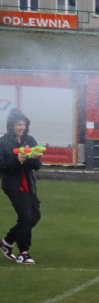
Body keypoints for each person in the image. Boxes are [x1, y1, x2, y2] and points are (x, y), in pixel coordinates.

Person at [0, 108, 41, 265]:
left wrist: (34, 158)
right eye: (18, 124)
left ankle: (7, 242)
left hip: (29, 184)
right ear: (12, 125)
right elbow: (2, 165)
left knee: (35, 216)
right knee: (25, 217)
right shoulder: (3, 141)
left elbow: (37, 166)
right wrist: (17, 160)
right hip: (13, 185)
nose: (21, 127)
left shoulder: (30, 140)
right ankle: (24, 253)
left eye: (23, 124)